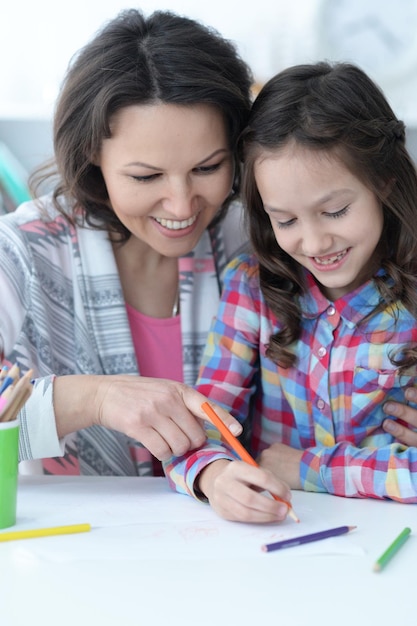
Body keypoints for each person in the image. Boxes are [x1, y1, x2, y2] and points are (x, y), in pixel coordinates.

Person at [0, 8, 255, 477]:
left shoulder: (254, 243)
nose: (181, 206)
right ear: (92, 153)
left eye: (207, 168)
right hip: (72, 544)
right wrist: (94, 398)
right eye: (146, 175)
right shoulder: (22, 251)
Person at [165, 61, 417, 523]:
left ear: (385, 182)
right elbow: (201, 428)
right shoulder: (251, 287)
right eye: (286, 220)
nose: (315, 243)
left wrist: (308, 469)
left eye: (336, 211)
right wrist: (215, 476)